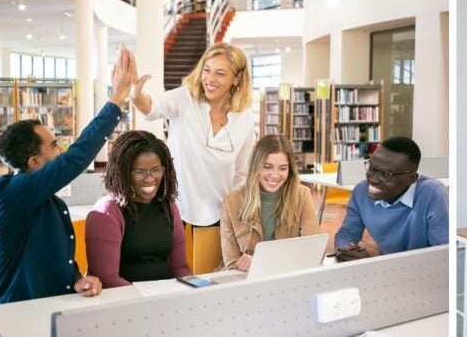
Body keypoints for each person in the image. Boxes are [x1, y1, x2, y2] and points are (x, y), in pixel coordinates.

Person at [0, 46, 135, 322]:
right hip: (17, 321)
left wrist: (76, 280)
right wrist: (116, 100)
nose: (60, 152)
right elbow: (74, 160)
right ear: (34, 163)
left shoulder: (50, 202)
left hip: (53, 314)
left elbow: (53, 257)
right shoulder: (9, 193)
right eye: (54, 146)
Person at [130, 42, 256, 232]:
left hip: (219, 215)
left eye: (220, 73)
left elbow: (242, 173)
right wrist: (136, 96)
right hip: (174, 209)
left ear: (236, 79)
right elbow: (153, 107)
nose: (210, 78)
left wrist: (235, 211)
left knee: (209, 263)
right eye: (207, 70)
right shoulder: (186, 99)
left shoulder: (244, 118)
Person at [85, 131, 191, 288]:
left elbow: (179, 267)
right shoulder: (105, 212)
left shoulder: (169, 206)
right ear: (123, 173)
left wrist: (193, 288)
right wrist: (149, 300)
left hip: (164, 299)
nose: (149, 179)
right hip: (125, 304)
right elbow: (107, 280)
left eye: (156, 170)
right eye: (139, 172)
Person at [334, 136, 449, 257]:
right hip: (389, 271)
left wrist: (372, 263)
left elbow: (442, 255)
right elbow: (346, 234)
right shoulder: (361, 191)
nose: (373, 178)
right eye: (372, 168)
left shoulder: (433, 194)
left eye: (385, 174)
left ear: (411, 178)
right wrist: (346, 249)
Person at [220, 134, 320, 271]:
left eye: (283, 168)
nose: (274, 175)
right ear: (256, 166)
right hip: (246, 281)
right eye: (267, 167)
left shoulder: (302, 196)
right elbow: (231, 263)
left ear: (290, 170)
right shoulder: (231, 202)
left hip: (289, 277)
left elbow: (312, 250)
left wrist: (262, 263)